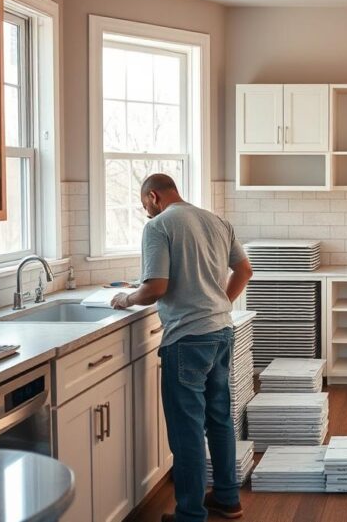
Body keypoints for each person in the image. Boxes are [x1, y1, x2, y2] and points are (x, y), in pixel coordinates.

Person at [111, 173, 253, 521]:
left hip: (187, 339)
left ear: (154, 197)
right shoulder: (216, 220)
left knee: (186, 428)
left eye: (145, 204)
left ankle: (190, 514)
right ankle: (227, 498)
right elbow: (245, 270)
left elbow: (156, 287)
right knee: (219, 420)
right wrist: (220, 302)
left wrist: (125, 298)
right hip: (221, 330)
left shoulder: (159, 226)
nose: (145, 211)